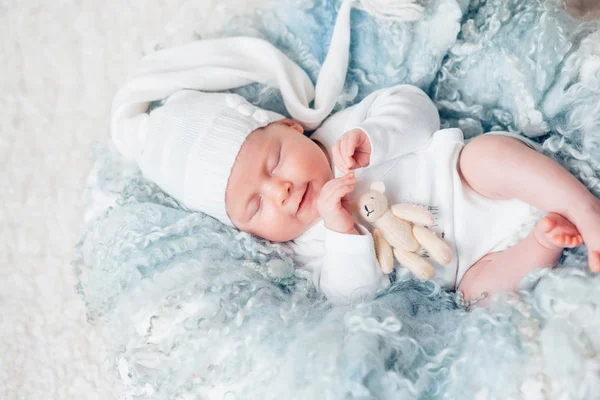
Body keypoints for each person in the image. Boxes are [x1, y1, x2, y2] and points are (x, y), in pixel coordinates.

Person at [110, 0, 600, 305]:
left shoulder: (340, 134)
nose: (279, 191)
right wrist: (343, 233)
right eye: (255, 206)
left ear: (289, 126)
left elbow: (417, 108)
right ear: (245, 231)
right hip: (470, 264)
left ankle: (583, 207)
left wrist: (376, 138)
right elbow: (353, 296)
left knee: (485, 154)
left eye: (273, 162)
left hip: (470, 181)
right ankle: (545, 242)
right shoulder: (303, 249)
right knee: (479, 296)